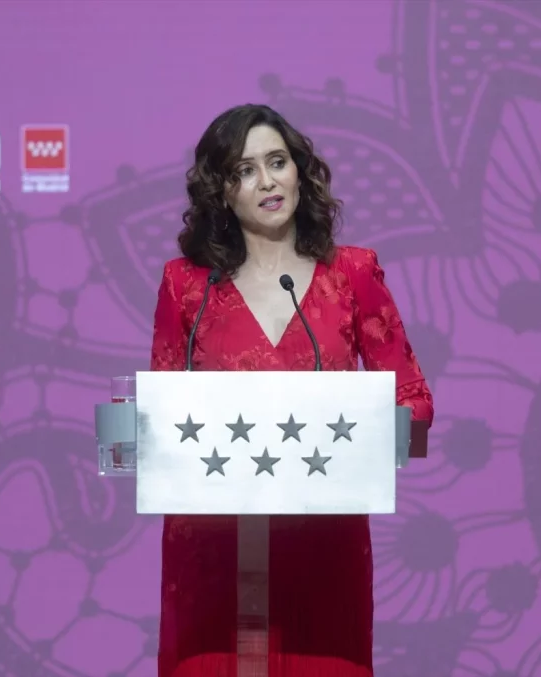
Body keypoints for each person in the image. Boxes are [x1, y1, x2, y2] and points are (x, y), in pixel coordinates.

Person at [149, 103, 434, 676]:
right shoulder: (187, 285)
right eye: (244, 170)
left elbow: (412, 398)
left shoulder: (351, 273)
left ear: (300, 171)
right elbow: (157, 413)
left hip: (323, 547)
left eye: (277, 162)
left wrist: (384, 426)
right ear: (222, 193)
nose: (267, 181)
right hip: (213, 551)